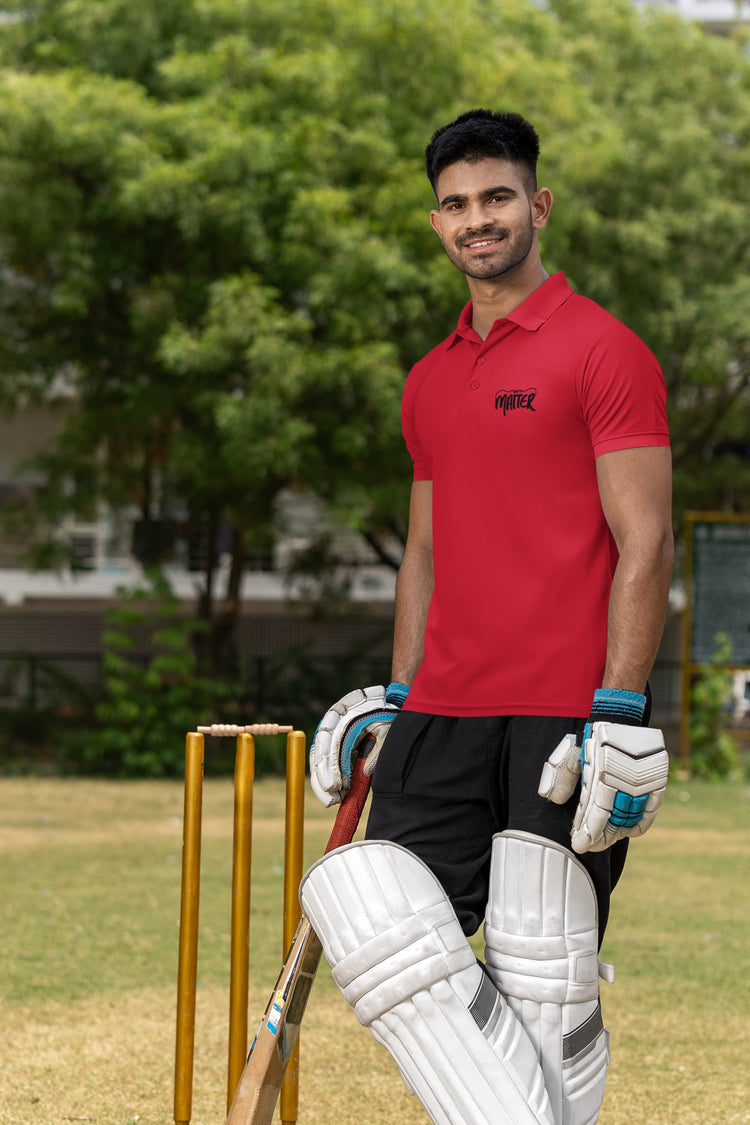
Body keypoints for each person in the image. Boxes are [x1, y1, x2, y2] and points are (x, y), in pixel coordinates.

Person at [301, 109, 673, 1125]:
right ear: (437, 222)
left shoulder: (606, 352)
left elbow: (647, 543)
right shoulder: (429, 380)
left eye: (497, 197)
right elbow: (423, 552)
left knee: (544, 982)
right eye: (457, 204)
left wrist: (620, 710)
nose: (478, 219)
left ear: (537, 206)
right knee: (383, 940)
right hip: (443, 712)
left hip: (564, 713)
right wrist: (398, 691)